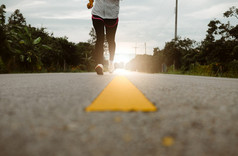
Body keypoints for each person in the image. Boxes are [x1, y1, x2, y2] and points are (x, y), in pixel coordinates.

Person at [87, 0, 120, 75]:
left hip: (112, 15)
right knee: (100, 38)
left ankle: (111, 62)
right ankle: (99, 64)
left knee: (110, 40)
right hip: (97, 13)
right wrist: (91, 2)